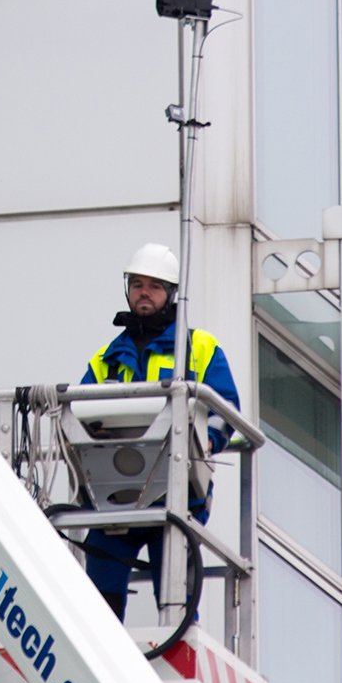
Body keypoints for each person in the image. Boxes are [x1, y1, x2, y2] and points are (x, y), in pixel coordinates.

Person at [77, 244, 235, 621]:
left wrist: (203, 444)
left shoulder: (199, 349)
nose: (143, 292)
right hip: (116, 496)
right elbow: (79, 417)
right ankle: (102, 658)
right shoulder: (106, 359)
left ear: (171, 294)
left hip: (177, 492)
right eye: (137, 284)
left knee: (175, 593)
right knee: (100, 595)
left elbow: (225, 410)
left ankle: (178, 647)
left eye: (154, 286)